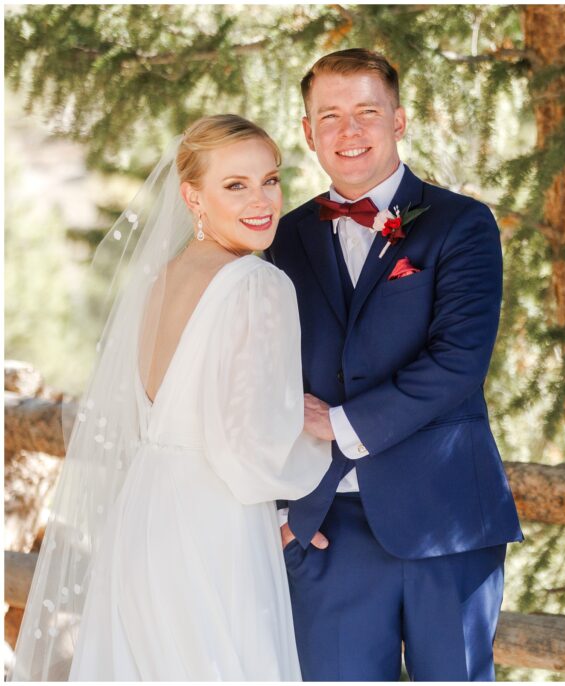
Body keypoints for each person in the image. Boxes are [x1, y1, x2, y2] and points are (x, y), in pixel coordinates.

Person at [12, 115, 332, 681]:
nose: (262, 201)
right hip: (215, 520)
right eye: (235, 185)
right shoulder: (259, 284)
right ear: (193, 196)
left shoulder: (158, 281)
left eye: (271, 179)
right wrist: (307, 435)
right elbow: (246, 451)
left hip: (145, 512)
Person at [266, 48, 523, 681]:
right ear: (307, 131)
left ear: (399, 120)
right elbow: (256, 373)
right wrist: (276, 508)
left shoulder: (462, 224)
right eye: (329, 116)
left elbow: (459, 361)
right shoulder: (279, 237)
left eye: (366, 112)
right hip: (323, 528)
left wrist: (341, 423)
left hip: (448, 524)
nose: (348, 132)